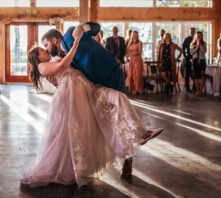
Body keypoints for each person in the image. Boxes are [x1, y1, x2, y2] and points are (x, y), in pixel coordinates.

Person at [21, 34, 162, 188]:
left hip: (89, 89)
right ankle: (74, 168)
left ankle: (141, 133)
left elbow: (70, 67)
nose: (46, 49)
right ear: (36, 57)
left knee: (119, 98)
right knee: (74, 136)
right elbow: (62, 67)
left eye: (46, 45)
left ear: (54, 41)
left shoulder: (58, 55)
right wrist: (74, 46)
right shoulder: (42, 66)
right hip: (75, 98)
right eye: (43, 49)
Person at [190, 31, 207, 97]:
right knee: (196, 77)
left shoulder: (204, 43)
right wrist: (196, 47)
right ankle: (197, 91)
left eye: (200, 36)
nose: (198, 37)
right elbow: (191, 52)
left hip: (202, 61)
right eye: (197, 36)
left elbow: (204, 51)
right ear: (195, 36)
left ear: (202, 36)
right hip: (195, 61)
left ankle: (201, 91)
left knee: (202, 77)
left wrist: (200, 45)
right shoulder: (192, 44)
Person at [182, 27, 196, 93]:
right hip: (188, 58)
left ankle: (194, 88)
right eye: (191, 31)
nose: (192, 32)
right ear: (189, 32)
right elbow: (183, 49)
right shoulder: (186, 39)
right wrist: (185, 56)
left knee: (195, 74)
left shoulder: (196, 39)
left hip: (195, 58)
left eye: (193, 31)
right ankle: (187, 88)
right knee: (187, 74)